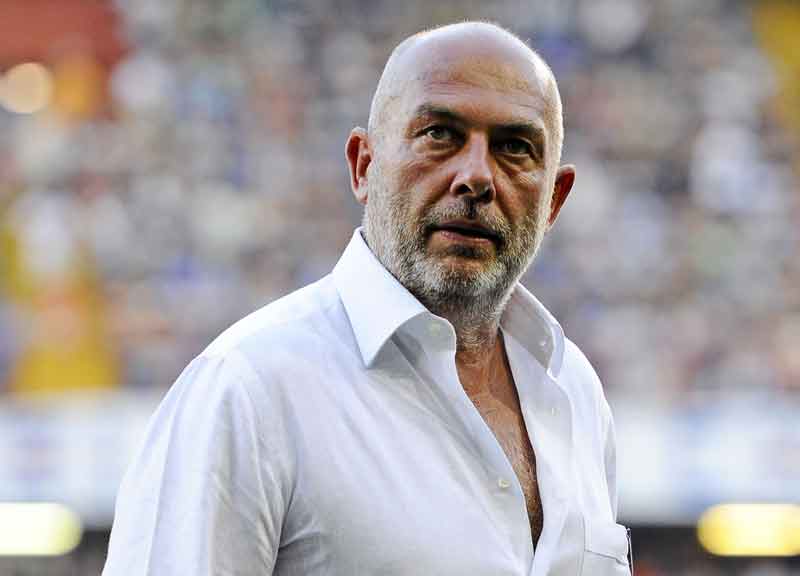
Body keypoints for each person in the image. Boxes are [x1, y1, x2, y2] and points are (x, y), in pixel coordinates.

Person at [103, 21, 631, 576]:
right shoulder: (248, 389)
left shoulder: (574, 391)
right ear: (363, 165)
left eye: (514, 148)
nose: (476, 177)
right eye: (440, 135)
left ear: (554, 200)